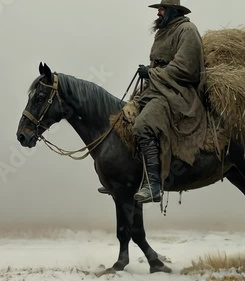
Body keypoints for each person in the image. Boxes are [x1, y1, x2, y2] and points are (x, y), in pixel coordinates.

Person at [98, 0, 208, 204]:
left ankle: (154, 185)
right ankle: (125, 177)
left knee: (142, 125)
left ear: (173, 11)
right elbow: (159, 63)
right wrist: (150, 72)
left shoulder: (187, 30)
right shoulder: (163, 31)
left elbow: (187, 69)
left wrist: (152, 72)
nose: (158, 12)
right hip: (157, 88)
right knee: (126, 116)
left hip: (177, 93)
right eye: (159, 9)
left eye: (162, 9)